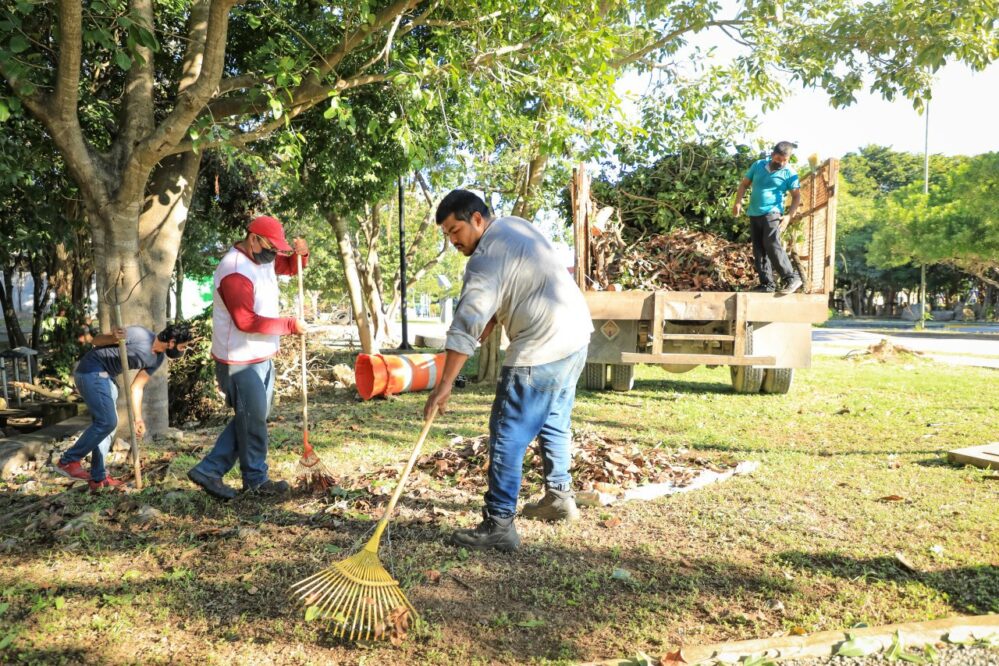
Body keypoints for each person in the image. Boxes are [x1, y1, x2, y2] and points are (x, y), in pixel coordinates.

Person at [423, 190, 593, 552]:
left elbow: (467, 320)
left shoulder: (484, 258)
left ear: (477, 220)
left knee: (507, 434)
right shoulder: (516, 227)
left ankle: (499, 524)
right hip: (576, 337)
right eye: (447, 235)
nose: (453, 241)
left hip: (541, 346)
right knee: (554, 420)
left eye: (455, 231)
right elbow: (509, 295)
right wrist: (488, 324)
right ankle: (560, 498)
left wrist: (444, 386)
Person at [187, 215, 308, 500]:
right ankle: (255, 479)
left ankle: (211, 470)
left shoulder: (261, 259)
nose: (274, 254)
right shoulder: (234, 270)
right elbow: (245, 320)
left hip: (261, 353)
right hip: (237, 360)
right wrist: (289, 325)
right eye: (270, 247)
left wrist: (302, 255)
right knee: (252, 419)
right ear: (253, 238)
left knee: (253, 418)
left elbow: (291, 268)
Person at [54, 322, 192, 491]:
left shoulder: (158, 359)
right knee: (107, 422)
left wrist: (138, 418)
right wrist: (113, 337)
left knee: (107, 427)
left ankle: (98, 478)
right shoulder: (140, 335)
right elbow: (96, 341)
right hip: (91, 371)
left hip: (107, 378)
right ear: (172, 342)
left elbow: (137, 387)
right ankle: (68, 461)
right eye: (182, 346)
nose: (182, 351)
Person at [732, 141, 803, 294]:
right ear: (772, 155)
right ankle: (767, 284)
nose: (781, 163)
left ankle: (791, 277)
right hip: (754, 212)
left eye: (785, 160)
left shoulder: (790, 173)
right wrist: (738, 202)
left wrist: (788, 216)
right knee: (758, 248)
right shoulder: (758, 165)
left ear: (788, 159)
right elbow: (744, 184)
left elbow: (797, 197)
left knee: (771, 242)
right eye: (778, 159)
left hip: (773, 212)